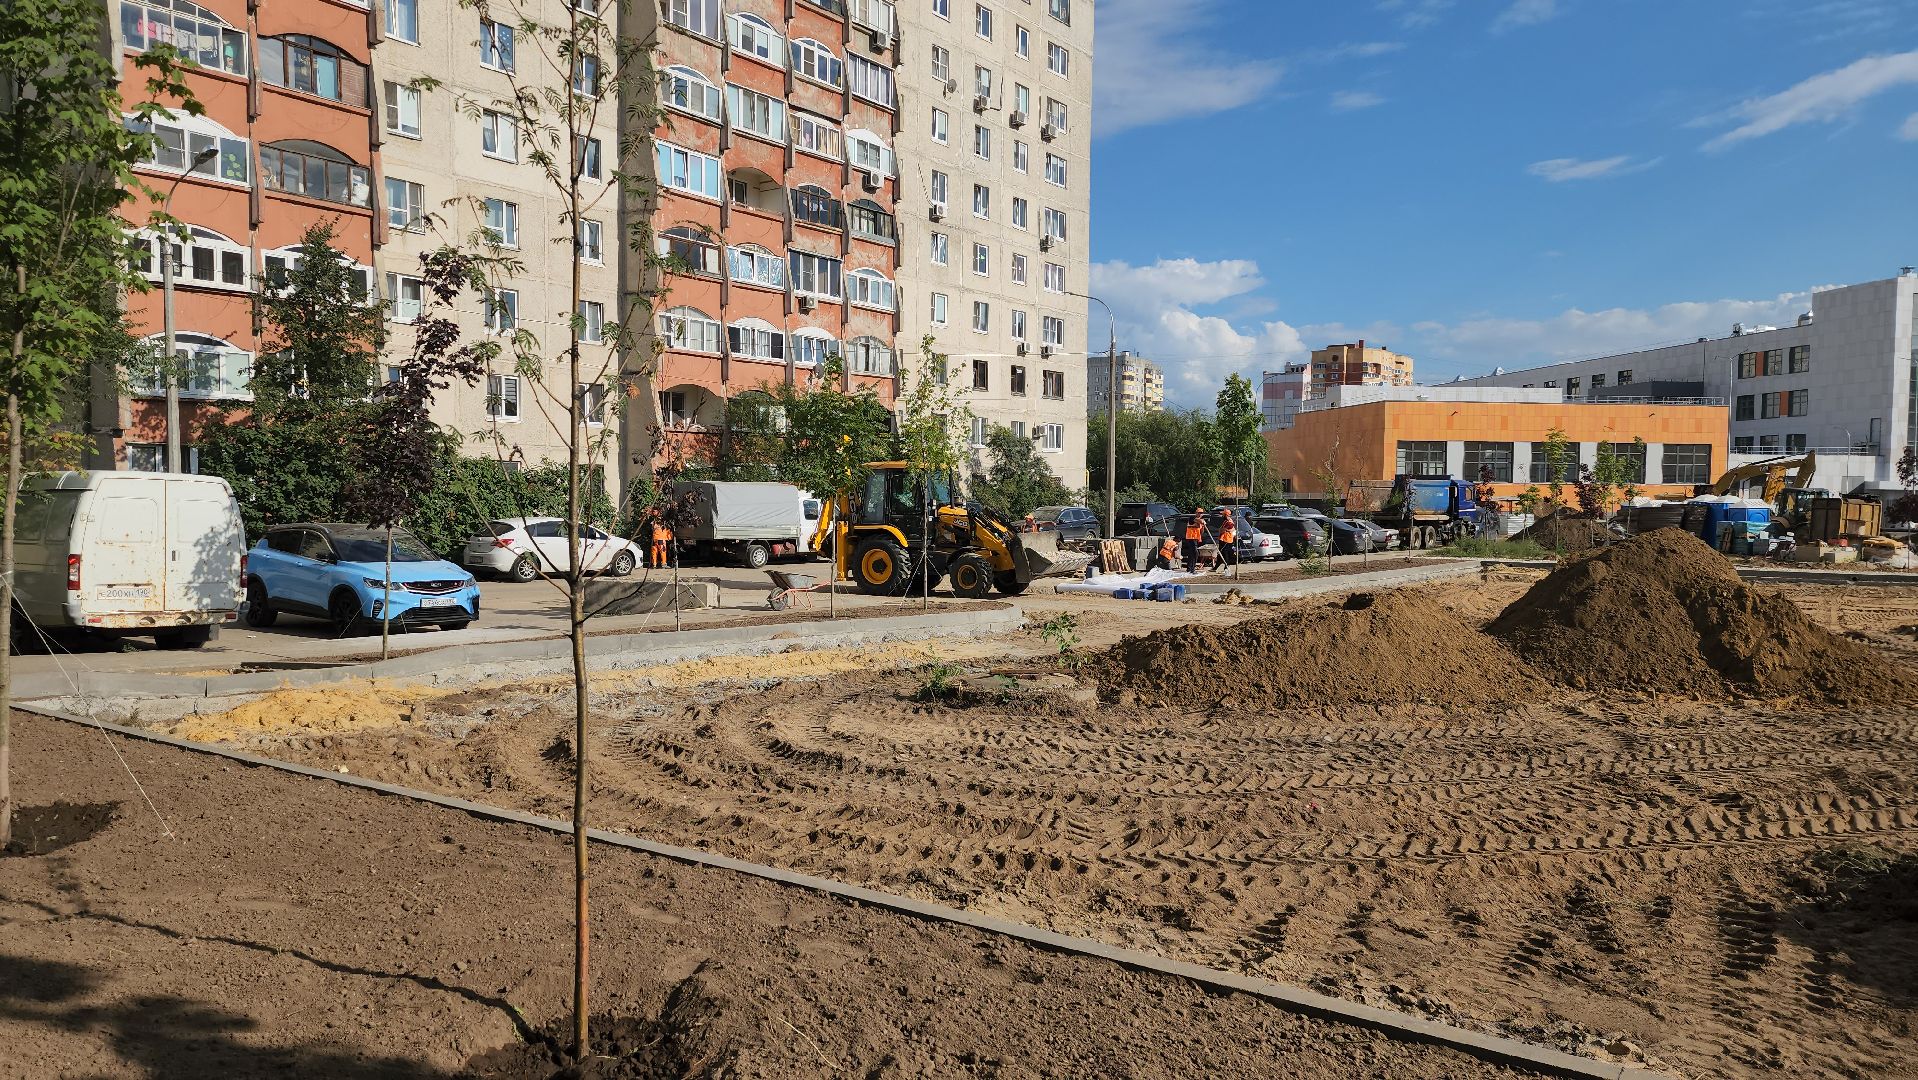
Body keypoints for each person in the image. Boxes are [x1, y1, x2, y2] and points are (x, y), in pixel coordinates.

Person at [1182, 508, 1207, 574]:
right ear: (1196, 513)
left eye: (1201, 513)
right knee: (1195, 553)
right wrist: (1202, 521)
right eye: (1199, 513)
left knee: (1192, 553)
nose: (1200, 514)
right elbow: (1199, 521)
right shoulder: (1192, 518)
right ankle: (1192, 569)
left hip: (1196, 539)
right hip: (1191, 538)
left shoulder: (1200, 520)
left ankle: (1189, 568)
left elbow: (1201, 532)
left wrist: (1203, 526)